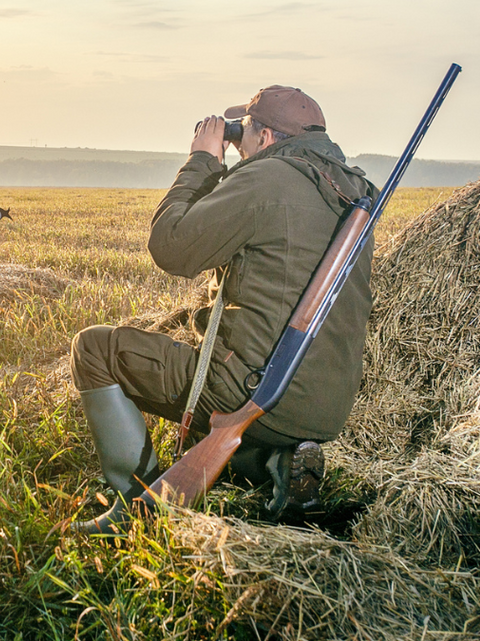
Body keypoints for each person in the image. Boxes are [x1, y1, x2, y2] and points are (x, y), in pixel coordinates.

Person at [70, 85, 378, 534]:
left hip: (255, 390)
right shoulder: (352, 188)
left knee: (94, 349)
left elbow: (173, 248)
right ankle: (279, 462)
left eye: (246, 132)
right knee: (202, 438)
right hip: (322, 406)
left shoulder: (270, 178)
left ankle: (135, 504)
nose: (240, 142)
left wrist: (203, 162)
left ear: (268, 137)